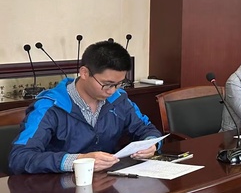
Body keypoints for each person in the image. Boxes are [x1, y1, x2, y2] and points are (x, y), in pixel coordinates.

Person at [9, 40, 162, 174]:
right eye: (107, 84)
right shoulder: (49, 106)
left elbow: (146, 129)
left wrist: (151, 144)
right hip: (57, 188)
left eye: (118, 84)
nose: (112, 91)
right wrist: (77, 161)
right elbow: (20, 157)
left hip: (106, 183)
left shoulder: (119, 100)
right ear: (84, 73)